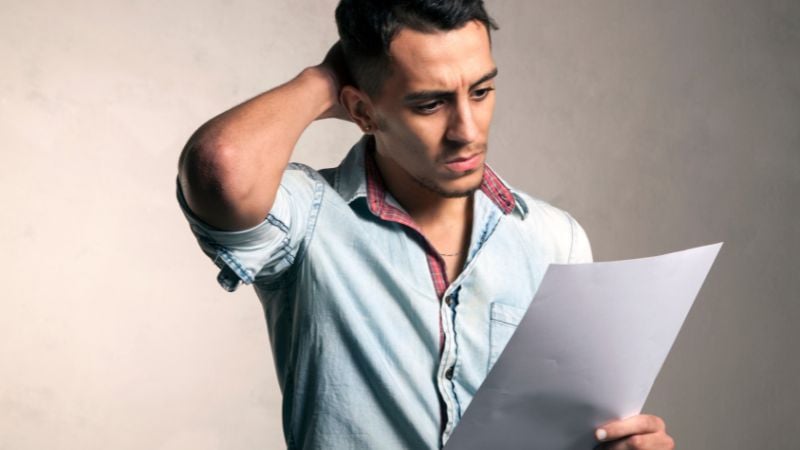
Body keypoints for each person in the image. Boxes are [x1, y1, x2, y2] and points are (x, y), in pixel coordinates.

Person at [176, 0, 675, 448]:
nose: (467, 131)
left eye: (481, 91)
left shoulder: (554, 238)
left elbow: (571, 428)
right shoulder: (309, 220)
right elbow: (219, 165)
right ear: (361, 111)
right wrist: (323, 80)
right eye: (430, 103)